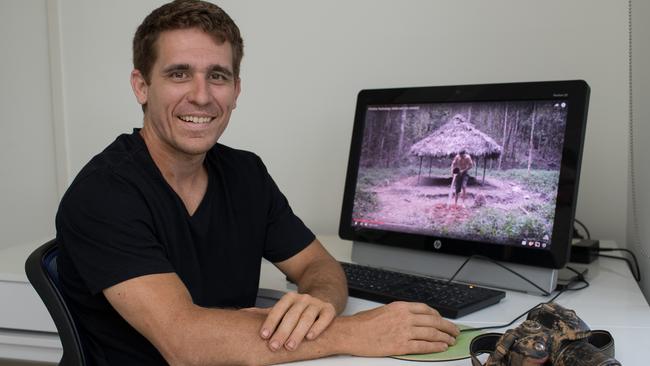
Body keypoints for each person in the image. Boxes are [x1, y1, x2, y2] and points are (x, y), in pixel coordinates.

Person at [56, 1, 459, 364]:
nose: (201, 96)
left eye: (218, 76)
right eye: (179, 74)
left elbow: (318, 265)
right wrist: (354, 332)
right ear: (142, 86)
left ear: (236, 91)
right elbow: (185, 342)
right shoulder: (103, 194)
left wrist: (315, 305)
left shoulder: (244, 173)